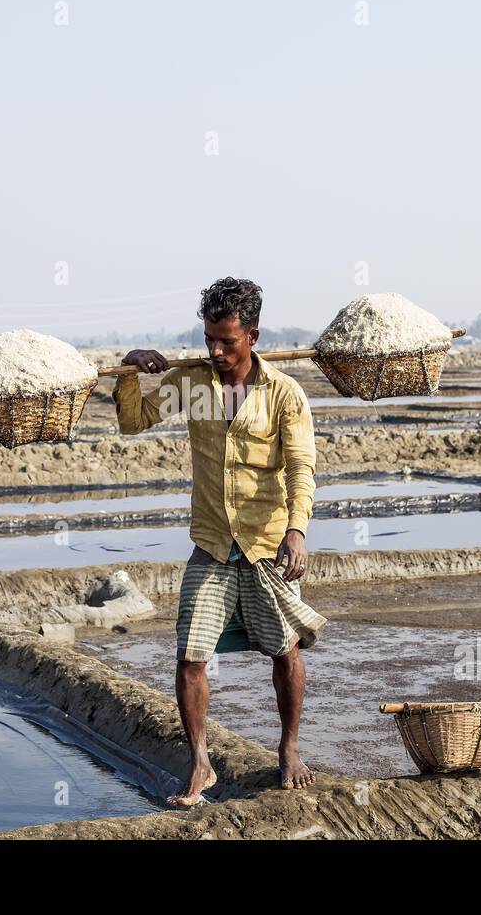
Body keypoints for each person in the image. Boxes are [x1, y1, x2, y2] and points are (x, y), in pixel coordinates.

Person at [114, 276, 326, 806]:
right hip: (211, 543)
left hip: (266, 543)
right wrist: (128, 369)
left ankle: (290, 747)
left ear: (252, 335)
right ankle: (202, 763)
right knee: (190, 656)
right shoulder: (193, 382)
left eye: (227, 341)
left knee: (286, 651)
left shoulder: (283, 394)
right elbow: (133, 421)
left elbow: (302, 467)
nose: (216, 350)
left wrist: (297, 530)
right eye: (210, 338)